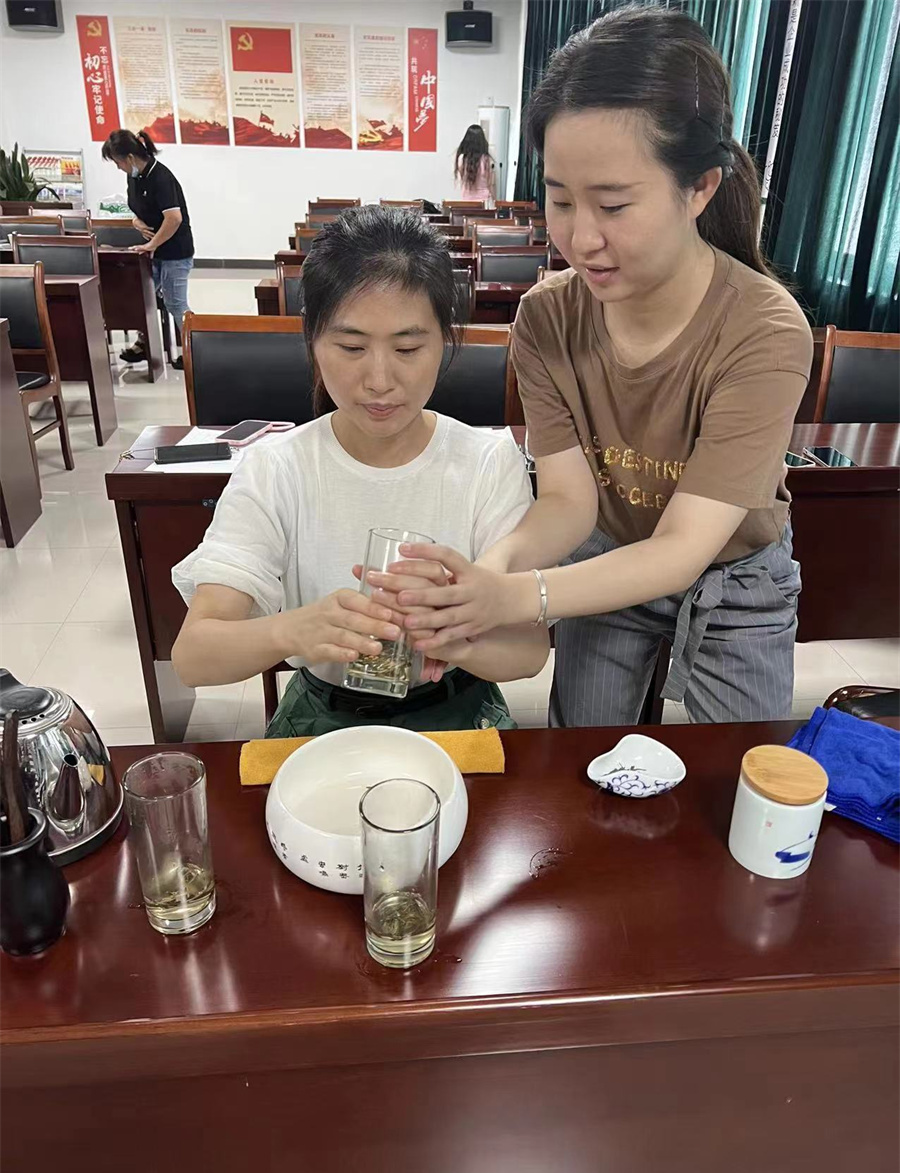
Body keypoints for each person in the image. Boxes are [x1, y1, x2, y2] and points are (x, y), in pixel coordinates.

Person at [384, 7, 814, 728]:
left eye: (613, 205)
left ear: (700, 187)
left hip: (735, 576)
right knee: (580, 755)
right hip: (605, 553)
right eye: (559, 200)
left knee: (739, 770)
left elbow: (684, 548)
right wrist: (492, 573)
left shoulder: (763, 330)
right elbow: (568, 502)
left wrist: (519, 597)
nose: (581, 239)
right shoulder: (547, 318)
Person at [170, 206, 548, 737]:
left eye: (408, 348)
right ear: (312, 341)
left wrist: (453, 635)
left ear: (444, 342)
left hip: (458, 711)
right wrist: (293, 630)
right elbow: (193, 656)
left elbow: (529, 651)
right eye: (351, 347)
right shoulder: (278, 468)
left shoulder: (487, 462)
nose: (379, 380)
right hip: (321, 713)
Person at [101, 128, 194, 370]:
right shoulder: (134, 177)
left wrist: (152, 244)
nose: (118, 167)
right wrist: (136, 222)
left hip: (175, 251)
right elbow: (137, 207)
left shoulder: (161, 177)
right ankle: (145, 343)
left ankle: (194, 351)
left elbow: (174, 218)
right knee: (144, 297)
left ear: (130, 158)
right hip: (152, 251)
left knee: (175, 303)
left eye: (118, 162)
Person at [454, 124, 495, 205]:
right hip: (484, 202)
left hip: (466, 201)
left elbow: (461, 178)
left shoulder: (461, 159)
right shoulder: (487, 160)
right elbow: (491, 183)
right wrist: (494, 200)